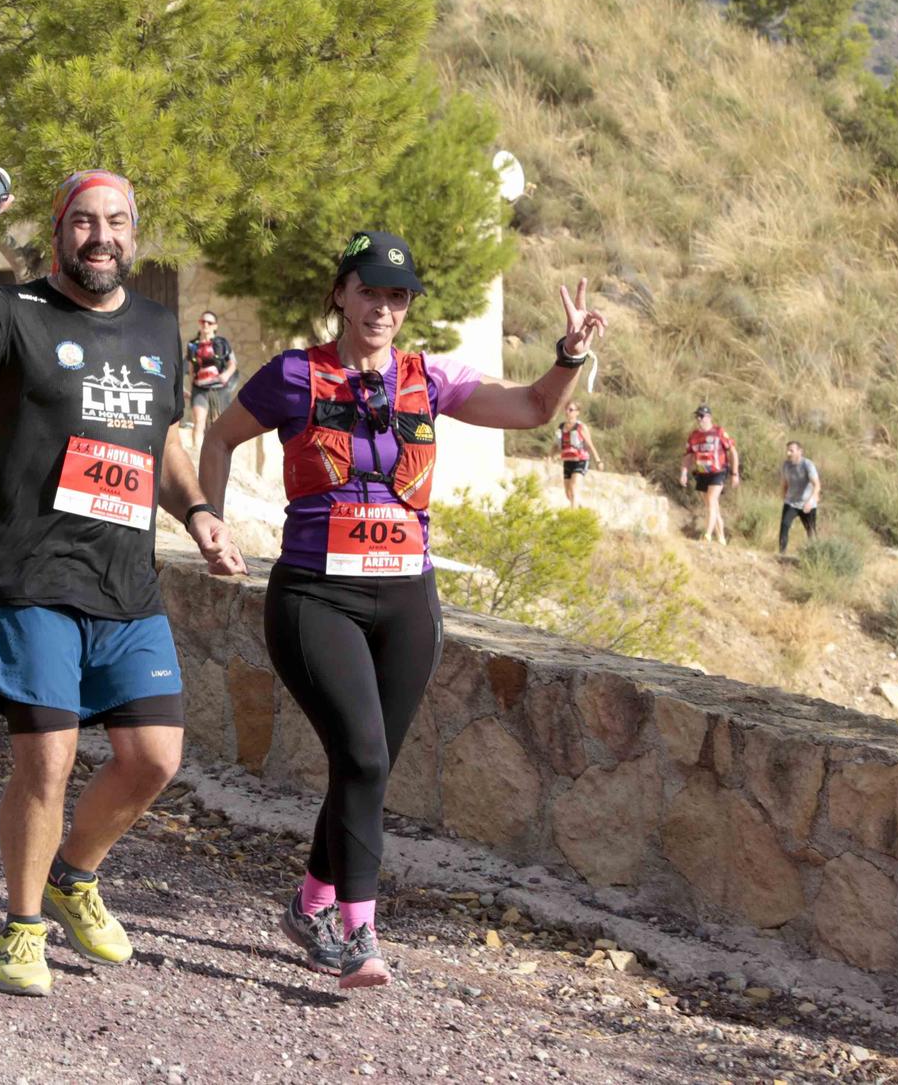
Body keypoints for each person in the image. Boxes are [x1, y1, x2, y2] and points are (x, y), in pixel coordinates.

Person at [198, 232, 605, 991]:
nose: (384, 307)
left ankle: (310, 901)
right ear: (341, 294)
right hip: (317, 593)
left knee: (368, 762)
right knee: (363, 753)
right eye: (370, 291)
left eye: (398, 295)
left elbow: (534, 407)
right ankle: (359, 933)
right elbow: (218, 438)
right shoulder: (295, 375)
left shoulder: (431, 378)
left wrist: (570, 355)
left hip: (406, 595)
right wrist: (210, 520)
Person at [0, 166, 243, 998]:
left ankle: (73, 873)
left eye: (116, 221)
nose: (101, 237)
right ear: (59, 229)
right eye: (83, 222)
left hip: (127, 585)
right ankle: (22, 928)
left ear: (134, 230)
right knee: (45, 764)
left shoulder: (160, 328)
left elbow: (161, 445)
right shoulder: (15, 312)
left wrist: (197, 513)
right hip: (29, 577)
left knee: (155, 758)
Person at [679, 404, 739, 544]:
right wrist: (684, 472)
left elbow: (733, 452)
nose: (699, 419)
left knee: (712, 500)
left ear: (709, 417)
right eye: (697, 416)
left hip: (718, 472)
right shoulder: (694, 435)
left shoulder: (718, 432)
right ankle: (721, 538)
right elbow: (688, 455)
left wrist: (734, 473)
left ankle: (707, 535)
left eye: (701, 416)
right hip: (702, 473)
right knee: (712, 506)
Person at [183, 309, 237, 452]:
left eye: (209, 322)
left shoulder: (222, 343)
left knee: (218, 423)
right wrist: (191, 387)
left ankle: (218, 453)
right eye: (202, 321)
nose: (205, 324)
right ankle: (197, 456)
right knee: (198, 422)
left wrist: (226, 375)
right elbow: (190, 369)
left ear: (215, 326)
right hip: (199, 388)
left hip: (219, 388)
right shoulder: (192, 345)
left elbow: (232, 364)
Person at [778, 440, 821, 555]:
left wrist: (811, 501)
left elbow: (817, 485)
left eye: (791, 450)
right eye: (787, 450)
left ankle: (815, 555)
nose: (788, 453)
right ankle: (782, 554)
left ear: (800, 451)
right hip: (791, 502)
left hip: (807, 503)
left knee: (810, 530)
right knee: (785, 525)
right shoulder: (786, 465)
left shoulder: (807, 464)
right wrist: (783, 496)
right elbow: (784, 483)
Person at [553, 401, 599, 507]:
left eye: (571, 410)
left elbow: (590, 445)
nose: (567, 412)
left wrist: (598, 460)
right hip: (568, 461)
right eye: (566, 409)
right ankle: (580, 509)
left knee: (573, 490)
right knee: (568, 494)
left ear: (577, 412)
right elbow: (555, 445)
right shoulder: (561, 427)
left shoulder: (581, 427)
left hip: (580, 460)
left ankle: (573, 519)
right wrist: (550, 456)